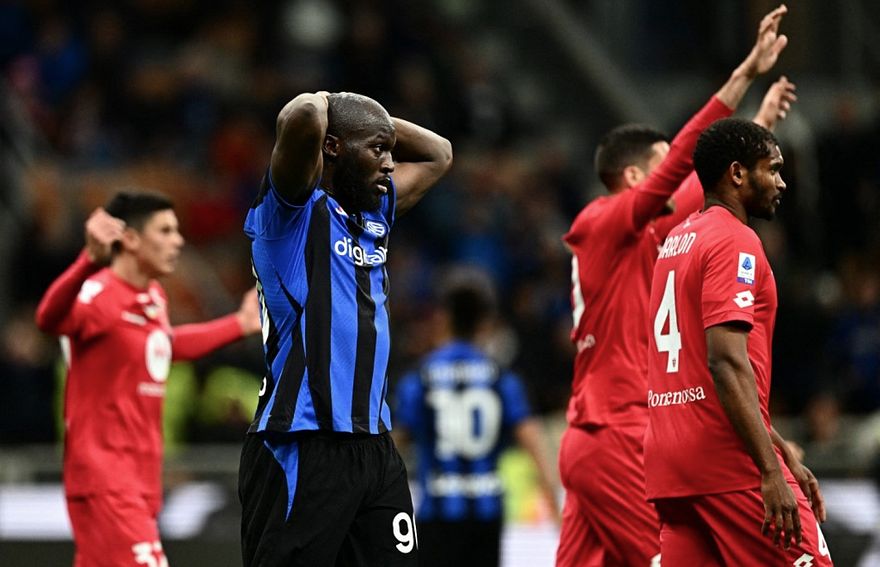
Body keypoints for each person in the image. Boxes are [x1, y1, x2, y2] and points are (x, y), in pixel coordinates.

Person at [557, 5, 795, 566]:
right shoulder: (603, 219)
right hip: (618, 428)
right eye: (666, 166)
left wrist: (757, 128)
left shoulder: (646, 235)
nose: (677, 176)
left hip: (592, 435)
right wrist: (744, 74)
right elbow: (686, 168)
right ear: (634, 177)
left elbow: (709, 189)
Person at [239, 91, 452, 566]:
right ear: (332, 146)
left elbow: (439, 153)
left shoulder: (374, 214)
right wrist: (332, 102)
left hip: (375, 447)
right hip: (302, 442)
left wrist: (370, 120)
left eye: (390, 150)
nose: (391, 163)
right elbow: (303, 114)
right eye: (378, 149)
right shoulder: (288, 215)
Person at [34, 191, 261, 567]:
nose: (179, 241)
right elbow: (49, 319)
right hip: (107, 482)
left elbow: (163, 345)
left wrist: (238, 324)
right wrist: (87, 261)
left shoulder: (153, 296)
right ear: (132, 239)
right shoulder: (98, 293)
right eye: (166, 230)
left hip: (140, 481)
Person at [644, 117, 831, 565]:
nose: (782, 183)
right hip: (727, 464)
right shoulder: (734, 241)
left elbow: (702, 376)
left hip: (671, 468)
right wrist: (770, 470)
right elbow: (725, 363)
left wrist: (781, 450)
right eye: (773, 169)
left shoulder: (677, 241)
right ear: (737, 173)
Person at [393, 270, 561, 567]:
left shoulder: (420, 378)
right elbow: (534, 444)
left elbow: (393, 446)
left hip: (437, 515)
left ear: (443, 318)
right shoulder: (502, 379)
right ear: (485, 323)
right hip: (486, 516)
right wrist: (556, 510)